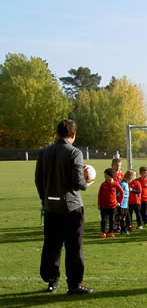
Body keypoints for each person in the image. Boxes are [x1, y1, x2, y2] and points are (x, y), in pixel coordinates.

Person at [35, 119, 94, 295]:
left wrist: (45, 199)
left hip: (51, 207)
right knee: (74, 247)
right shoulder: (74, 152)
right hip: (71, 207)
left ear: (57, 133)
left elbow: (38, 179)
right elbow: (78, 181)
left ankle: (51, 281)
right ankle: (74, 284)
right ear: (73, 134)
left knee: (51, 246)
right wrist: (86, 184)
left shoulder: (44, 152)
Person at [98, 168, 123, 238]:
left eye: (106, 175)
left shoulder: (115, 184)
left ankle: (111, 232)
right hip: (104, 206)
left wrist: (119, 202)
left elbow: (122, 192)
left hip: (112, 206)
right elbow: (100, 194)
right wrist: (99, 204)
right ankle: (103, 232)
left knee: (112, 219)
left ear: (111, 175)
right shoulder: (103, 184)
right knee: (103, 219)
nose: (105, 176)